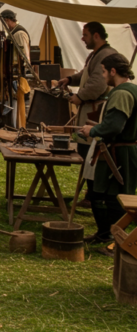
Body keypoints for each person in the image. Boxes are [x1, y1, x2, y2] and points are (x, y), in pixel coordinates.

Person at [77, 53, 137, 252]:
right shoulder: (126, 91)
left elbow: (114, 126)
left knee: (114, 197)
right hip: (116, 151)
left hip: (119, 153)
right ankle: (105, 234)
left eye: (103, 71)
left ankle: (116, 239)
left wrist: (93, 130)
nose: (102, 76)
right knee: (99, 193)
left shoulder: (122, 93)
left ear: (113, 71)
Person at [56, 22, 118, 206]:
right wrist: (70, 79)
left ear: (96, 35)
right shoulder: (97, 54)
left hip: (94, 112)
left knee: (91, 154)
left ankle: (93, 197)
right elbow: (86, 74)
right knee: (86, 152)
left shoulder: (106, 55)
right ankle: (91, 195)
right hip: (89, 109)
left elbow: (98, 83)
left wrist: (80, 97)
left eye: (86, 35)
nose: (82, 38)